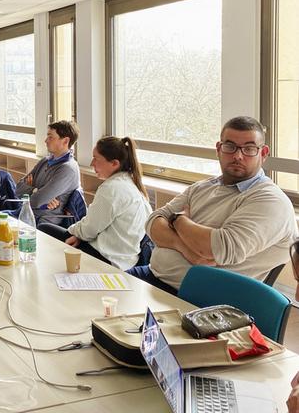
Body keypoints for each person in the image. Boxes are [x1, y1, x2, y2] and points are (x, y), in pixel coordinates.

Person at [127, 116, 298, 294]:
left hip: (199, 299)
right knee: (99, 292)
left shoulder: (270, 200)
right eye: (230, 146)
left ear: (263, 154)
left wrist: (179, 220)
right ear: (218, 149)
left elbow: (219, 249)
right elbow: (153, 222)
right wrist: (185, 248)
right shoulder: (203, 187)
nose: (238, 156)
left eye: (249, 148)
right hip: (152, 276)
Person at [44, 136, 152, 270]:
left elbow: (89, 229)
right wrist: (80, 235)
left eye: (96, 158)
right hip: (126, 259)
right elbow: (93, 228)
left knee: (44, 228)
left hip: (107, 257)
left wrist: (77, 233)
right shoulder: (133, 185)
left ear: (114, 163)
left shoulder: (111, 188)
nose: (91, 163)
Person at [15, 120, 82, 228]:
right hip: (26, 214)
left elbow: (37, 201)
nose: (46, 141)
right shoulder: (45, 161)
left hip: (42, 222)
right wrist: (35, 191)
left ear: (65, 141)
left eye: (51, 137)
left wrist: (32, 189)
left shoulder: (68, 169)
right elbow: (17, 189)